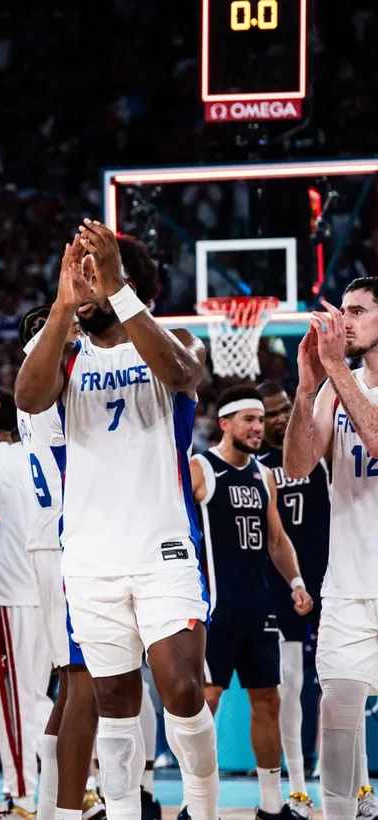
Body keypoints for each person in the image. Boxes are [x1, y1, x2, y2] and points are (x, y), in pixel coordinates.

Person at [15, 223, 216, 820]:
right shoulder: (66, 351)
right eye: (80, 273)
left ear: (124, 280)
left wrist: (118, 289)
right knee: (113, 701)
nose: (87, 284)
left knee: (181, 687)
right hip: (89, 557)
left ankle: (202, 809)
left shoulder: (175, 339)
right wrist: (62, 306)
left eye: (95, 272)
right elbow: (27, 397)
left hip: (162, 548)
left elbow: (182, 374)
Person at [190, 386, 313, 820]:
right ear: (225, 423)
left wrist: (296, 581)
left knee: (269, 702)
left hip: (259, 606)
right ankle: (195, 803)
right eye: (249, 420)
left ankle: (272, 804)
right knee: (204, 704)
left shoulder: (264, 475)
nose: (258, 427)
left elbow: (277, 539)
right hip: (216, 609)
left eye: (260, 420)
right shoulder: (201, 468)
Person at [282, 279, 378, 820]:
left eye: (358, 311)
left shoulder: (343, 379)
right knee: (338, 721)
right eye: (342, 311)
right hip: (347, 591)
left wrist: (336, 367)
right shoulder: (331, 389)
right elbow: (297, 466)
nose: (344, 322)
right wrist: (305, 388)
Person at [13, 306, 107, 820]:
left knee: (73, 681)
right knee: (84, 679)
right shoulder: (52, 371)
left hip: (51, 538)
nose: (78, 327)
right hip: (65, 538)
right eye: (69, 321)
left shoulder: (36, 376)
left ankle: (51, 806)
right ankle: (72, 805)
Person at [257, 380, 333, 814]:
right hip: (281, 587)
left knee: (341, 682)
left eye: (284, 408)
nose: (281, 417)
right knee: (290, 686)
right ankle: (299, 788)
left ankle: (355, 784)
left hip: (328, 580)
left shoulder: (319, 450)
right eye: (271, 413)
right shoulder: (256, 466)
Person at [0, 388, 53, 818]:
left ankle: (21, 797)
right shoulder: (40, 457)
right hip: (47, 593)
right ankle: (85, 784)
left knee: (13, 703)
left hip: (7, 594)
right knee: (38, 698)